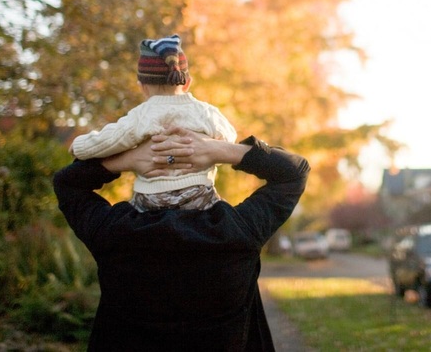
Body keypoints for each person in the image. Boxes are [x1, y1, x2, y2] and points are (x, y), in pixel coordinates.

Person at [53, 126, 310, 351]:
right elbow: (294, 171)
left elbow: (67, 183)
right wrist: (218, 150)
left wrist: (126, 159)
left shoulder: (114, 234)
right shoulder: (238, 232)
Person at [70, 34, 236, 211]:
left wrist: (79, 146)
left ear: (142, 86)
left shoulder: (142, 115)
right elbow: (229, 140)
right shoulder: (206, 112)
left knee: (130, 215)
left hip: (151, 199)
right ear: (187, 83)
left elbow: (109, 140)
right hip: (199, 195)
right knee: (222, 211)